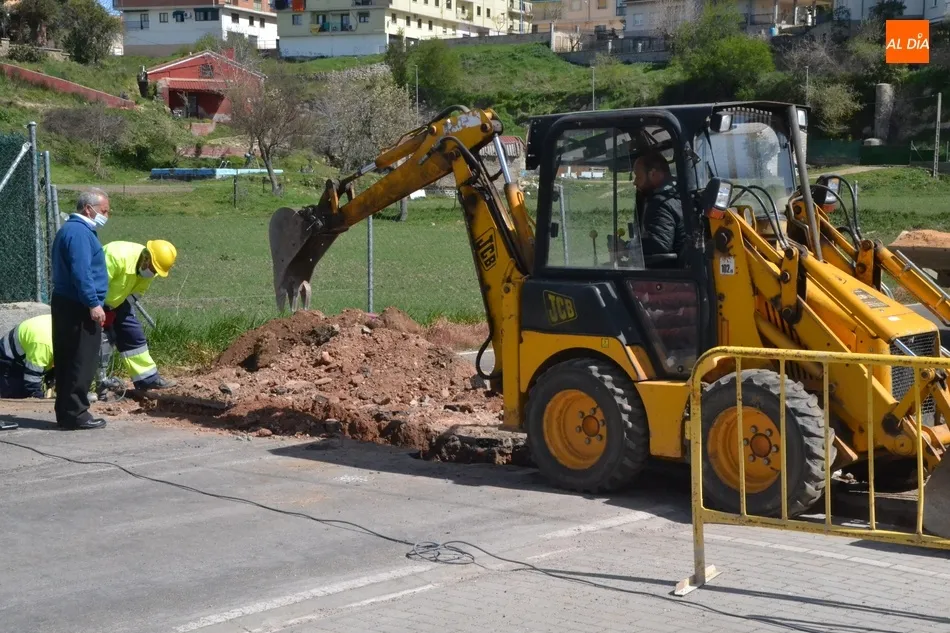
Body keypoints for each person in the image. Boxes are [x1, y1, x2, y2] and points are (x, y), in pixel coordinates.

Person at [49, 189, 111, 430]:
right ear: (89, 208)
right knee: (81, 359)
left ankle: (66, 412)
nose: (106, 215)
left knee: (67, 358)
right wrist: (93, 303)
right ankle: (76, 412)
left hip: (67, 302)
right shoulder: (79, 233)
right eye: (104, 211)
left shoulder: (71, 230)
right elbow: (81, 272)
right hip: (78, 305)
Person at [97, 240, 178, 393]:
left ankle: (147, 379)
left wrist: (115, 311)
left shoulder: (150, 270)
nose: (152, 274)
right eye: (153, 269)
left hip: (119, 303)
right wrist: (99, 308)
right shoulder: (116, 256)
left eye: (156, 272)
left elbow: (137, 292)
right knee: (99, 342)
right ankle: (96, 385)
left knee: (133, 336)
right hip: (95, 302)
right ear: (146, 257)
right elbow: (94, 284)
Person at [633, 151, 685, 261]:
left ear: (653, 174)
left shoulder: (661, 203)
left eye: (638, 176)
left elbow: (659, 245)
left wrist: (628, 248)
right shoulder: (679, 195)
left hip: (671, 272)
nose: (635, 182)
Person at [0, 313, 54, 401]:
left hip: (25, 353)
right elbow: (32, 377)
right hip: (8, 362)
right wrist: (38, 398)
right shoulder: (43, 344)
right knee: (17, 399)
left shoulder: (62, 322)